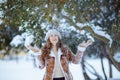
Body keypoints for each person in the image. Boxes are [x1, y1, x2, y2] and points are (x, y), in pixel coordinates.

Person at [26, 29, 93, 80]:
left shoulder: (65, 49)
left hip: (65, 78)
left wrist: (81, 49)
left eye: (55, 35)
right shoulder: (44, 50)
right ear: (48, 39)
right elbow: (41, 66)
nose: (54, 37)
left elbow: (76, 61)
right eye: (51, 36)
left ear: (58, 37)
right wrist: (37, 54)